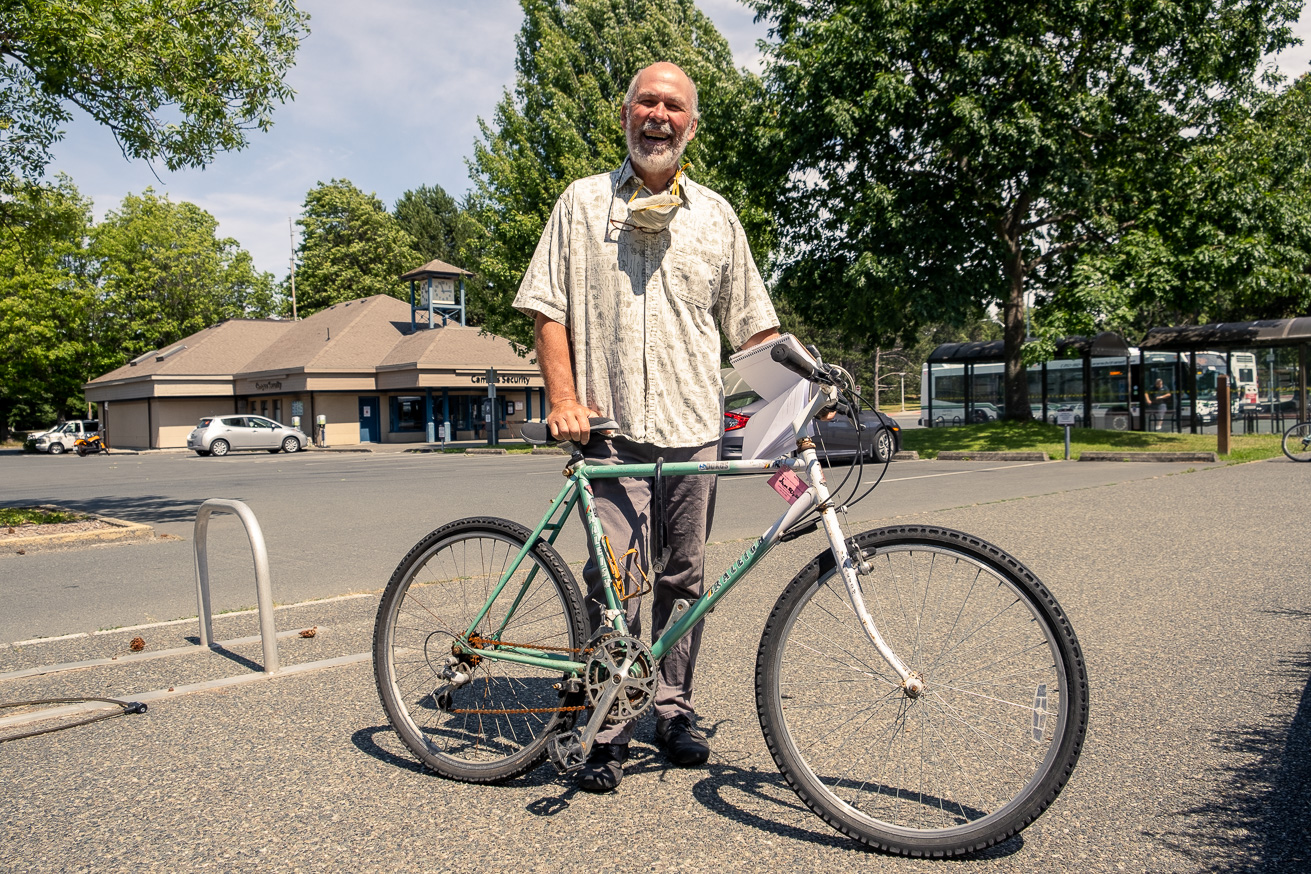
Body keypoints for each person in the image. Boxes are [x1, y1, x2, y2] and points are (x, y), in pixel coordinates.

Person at [513, 61, 780, 793]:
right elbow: (545, 307)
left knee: (684, 578)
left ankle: (673, 707)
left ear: (691, 125)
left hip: (693, 430)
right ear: (624, 114)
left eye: (673, 106)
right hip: (609, 430)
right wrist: (562, 398)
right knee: (619, 583)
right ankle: (606, 725)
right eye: (646, 102)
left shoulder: (716, 216)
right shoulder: (580, 203)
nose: (657, 115)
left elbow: (753, 330)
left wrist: (800, 391)